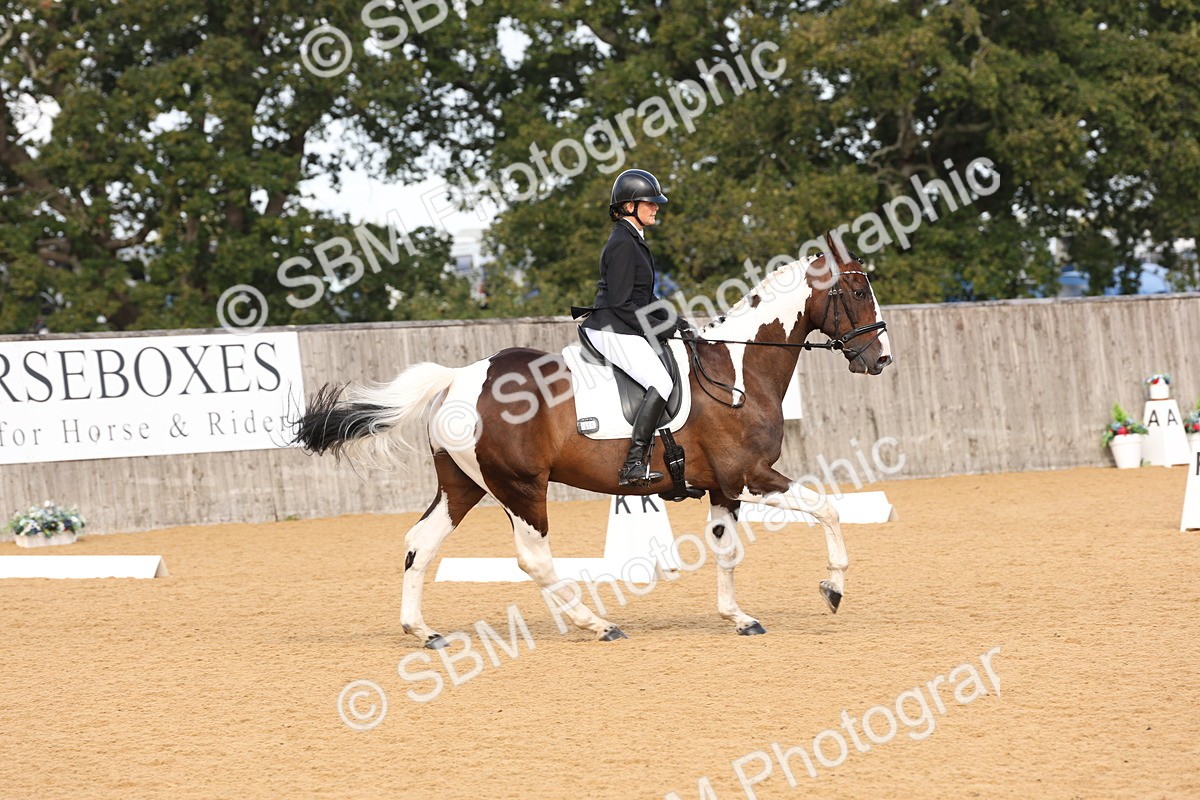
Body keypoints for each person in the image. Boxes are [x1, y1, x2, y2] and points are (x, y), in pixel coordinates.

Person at [574, 168, 690, 487]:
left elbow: (644, 295)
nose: (656, 207)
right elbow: (624, 303)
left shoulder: (634, 238)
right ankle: (634, 463)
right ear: (628, 207)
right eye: (649, 203)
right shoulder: (623, 243)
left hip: (621, 321)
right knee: (660, 382)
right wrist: (658, 328)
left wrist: (673, 320)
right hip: (610, 326)